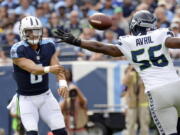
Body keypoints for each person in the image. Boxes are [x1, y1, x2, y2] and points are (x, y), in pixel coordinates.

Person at [52, 10, 180, 135]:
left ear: (134, 26)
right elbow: (175, 43)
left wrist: (77, 41)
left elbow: (101, 47)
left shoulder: (129, 42)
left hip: (156, 93)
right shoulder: (161, 34)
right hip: (176, 86)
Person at [9, 16, 68, 135]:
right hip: (27, 99)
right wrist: (49, 69)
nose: (33, 34)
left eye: (36, 30)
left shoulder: (49, 45)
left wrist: (62, 83)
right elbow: (33, 69)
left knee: (61, 132)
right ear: (22, 32)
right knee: (31, 133)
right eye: (29, 31)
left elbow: (58, 68)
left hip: (46, 96)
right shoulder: (18, 49)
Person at [122, 65, 150, 135]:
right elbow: (124, 83)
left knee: (144, 122)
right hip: (132, 102)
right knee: (131, 123)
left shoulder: (144, 73)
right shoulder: (130, 73)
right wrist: (130, 70)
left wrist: (141, 72)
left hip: (143, 101)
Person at [60, 69, 88, 135]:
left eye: (68, 73)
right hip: (68, 129)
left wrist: (76, 90)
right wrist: (66, 95)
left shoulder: (74, 87)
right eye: (65, 73)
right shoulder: (62, 89)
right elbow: (60, 108)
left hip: (80, 128)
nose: (67, 75)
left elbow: (84, 102)